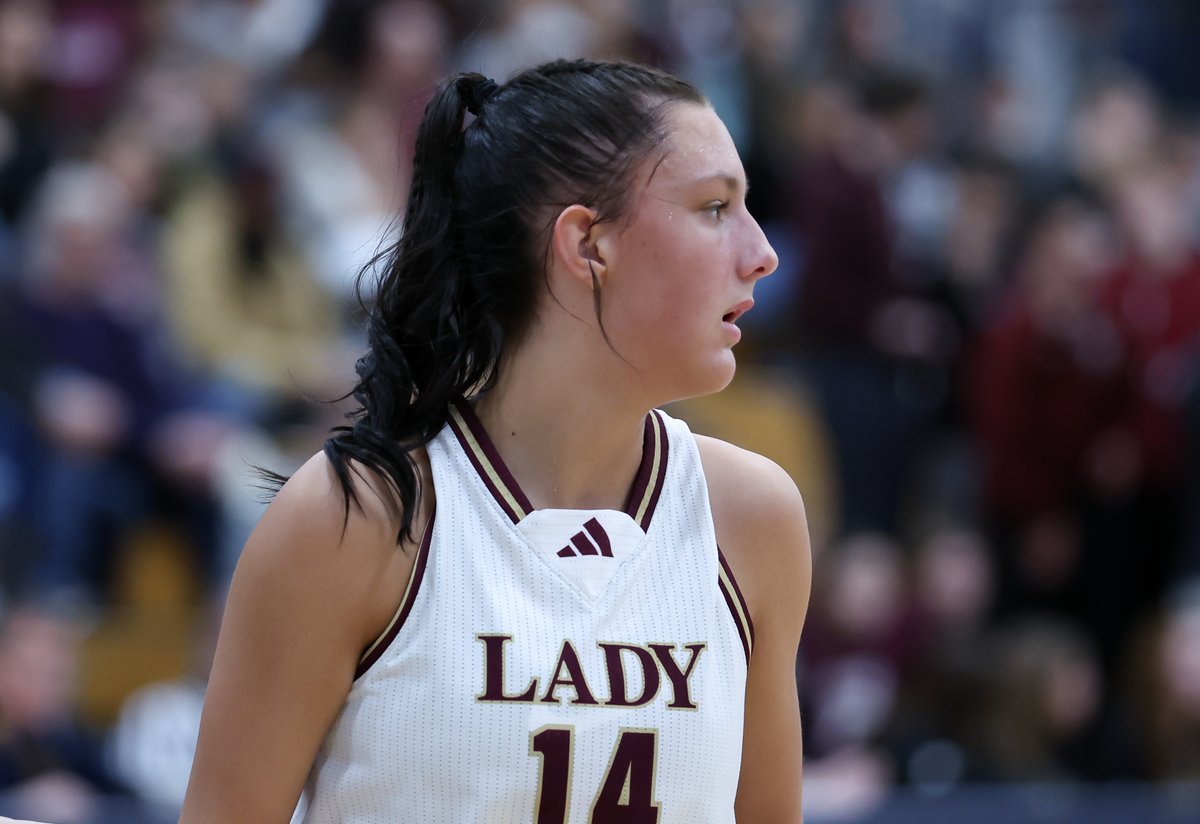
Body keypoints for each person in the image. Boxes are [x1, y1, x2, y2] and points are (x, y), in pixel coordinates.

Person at [180, 58, 811, 823]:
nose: (761, 252)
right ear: (587, 244)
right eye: (714, 207)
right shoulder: (356, 518)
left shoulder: (754, 519)